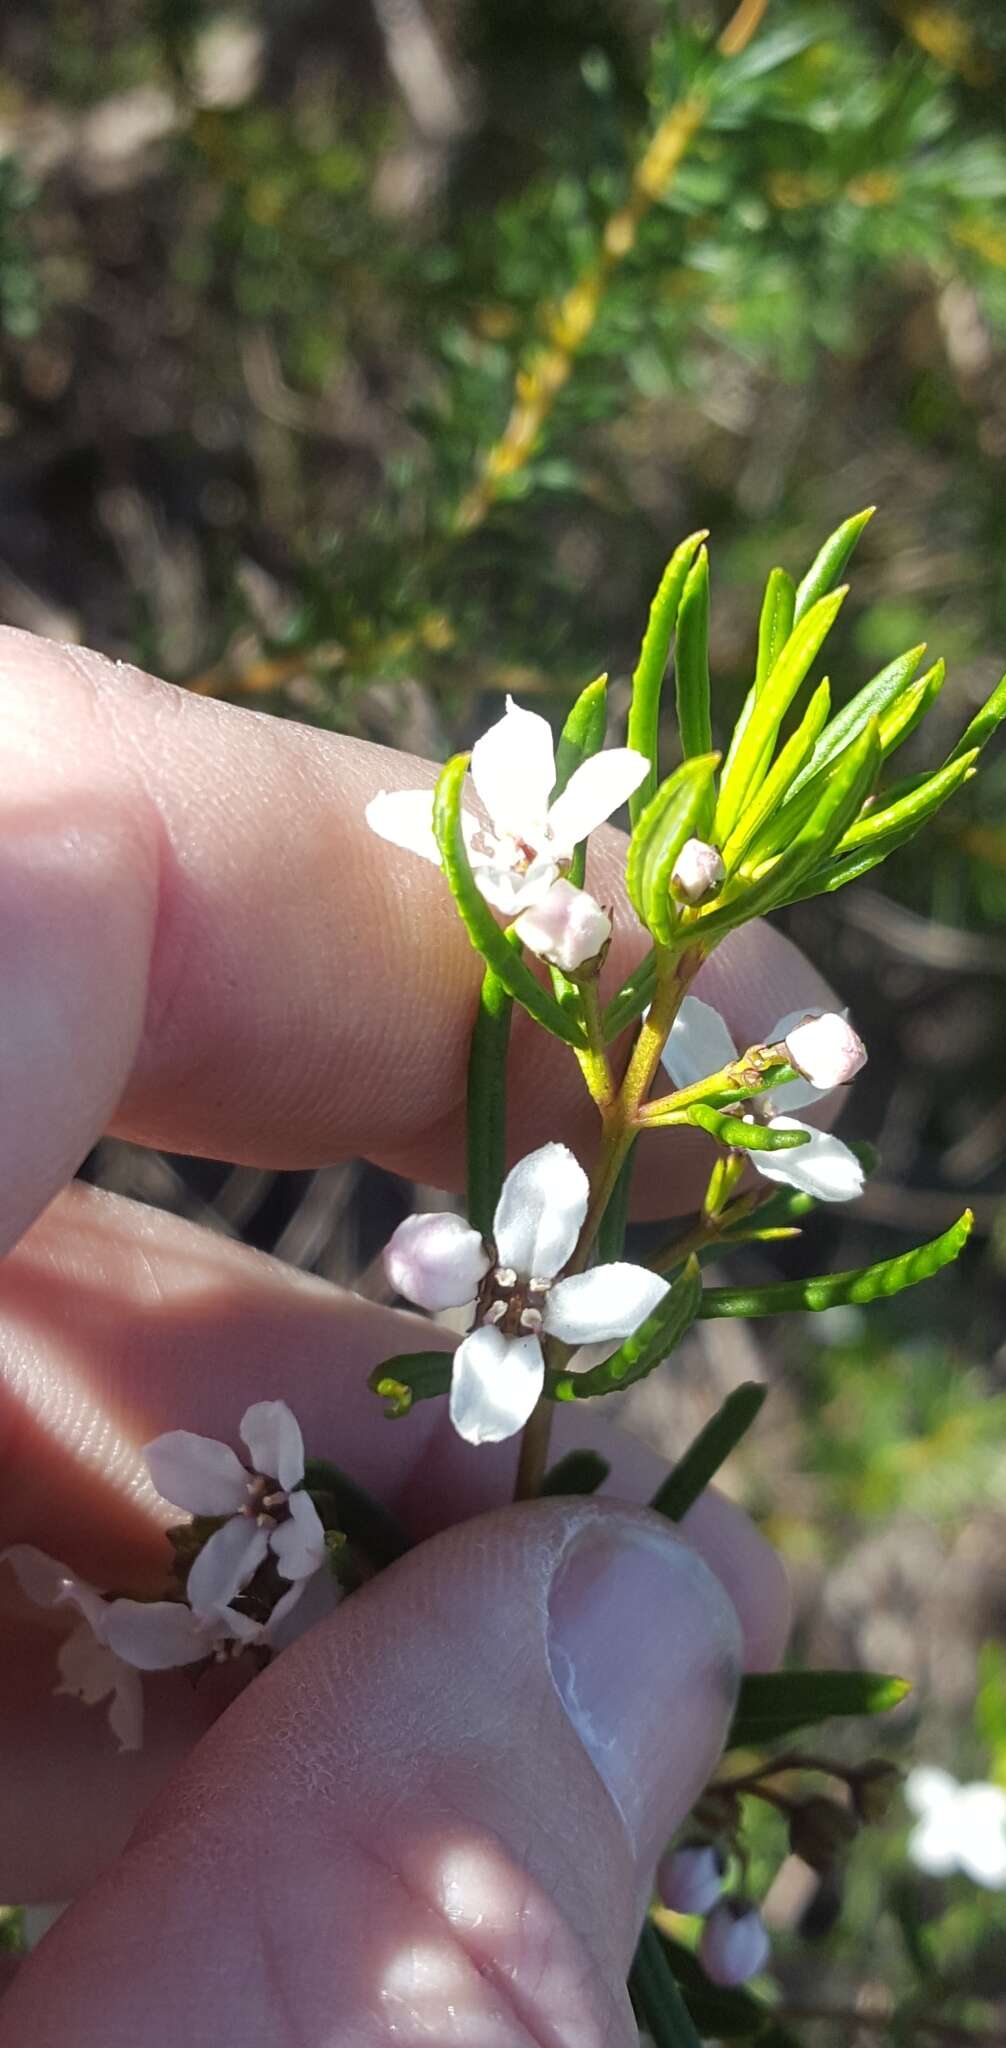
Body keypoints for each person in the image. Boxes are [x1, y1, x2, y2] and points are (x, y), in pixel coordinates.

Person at [0, 627, 837, 2044]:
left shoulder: (560, 1240)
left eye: (535, 859)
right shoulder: (500, 1253)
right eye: (502, 855)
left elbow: (548, 1247)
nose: (520, 869)